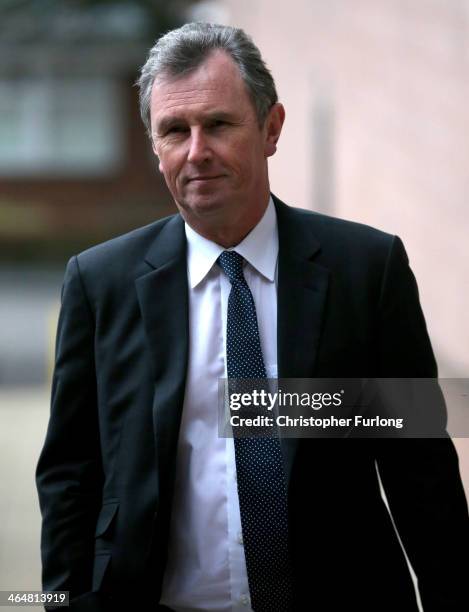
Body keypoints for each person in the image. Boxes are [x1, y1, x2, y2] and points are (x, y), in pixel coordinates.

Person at [36, 22, 468, 612]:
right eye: (174, 131)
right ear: (154, 147)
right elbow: (71, 476)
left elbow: (420, 465)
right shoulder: (99, 282)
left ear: (271, 128)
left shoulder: (367, 270)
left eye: (218, 124)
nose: (197, 151)